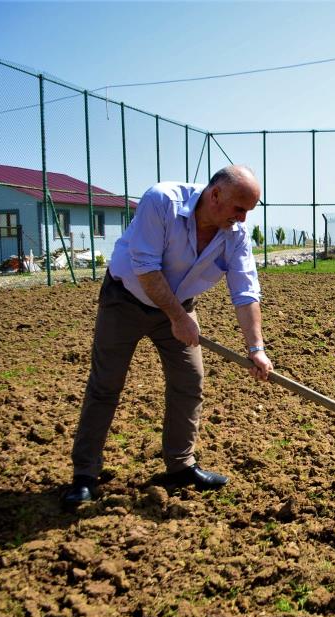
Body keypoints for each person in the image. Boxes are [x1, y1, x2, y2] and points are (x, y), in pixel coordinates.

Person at [62, 165, 274, 507]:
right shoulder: (162, 201)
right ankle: (85, 475)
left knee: (189, 381)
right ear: (215, 194)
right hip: (126, 299)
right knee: (106, 384)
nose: (243, 219)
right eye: (239, 209)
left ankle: (180, 465)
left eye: (248, 212)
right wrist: (178, 317)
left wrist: (256, 348)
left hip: (178, 306)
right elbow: (145, 266)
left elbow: (246, 290)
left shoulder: (233, 234)